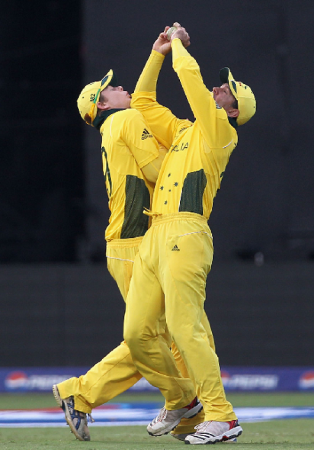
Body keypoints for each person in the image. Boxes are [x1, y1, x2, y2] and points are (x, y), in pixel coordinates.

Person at [52, 68, 207, 441]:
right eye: (113, 88)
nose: (122, 88)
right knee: (154, 333)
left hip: (130, 241)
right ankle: (180, 405)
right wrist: (189, 149)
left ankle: (86, 394)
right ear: (102, 103)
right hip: (135, 241)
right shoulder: (126, 117)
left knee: (156, 332)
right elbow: (159, 171)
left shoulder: (115, 123)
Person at [124, 23, 256, 445]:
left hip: (186, 232)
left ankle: (221, 415)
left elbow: (192, 82)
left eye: (227, 91)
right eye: (222, 87)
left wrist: (178, 46)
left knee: (186, 328)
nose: (220, 90)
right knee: (137, 332)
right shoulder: (185, 132)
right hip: (155, 233)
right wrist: (157, 53)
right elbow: (142, 102)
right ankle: (183, 399)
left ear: (234, 111)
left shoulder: (221, 133)